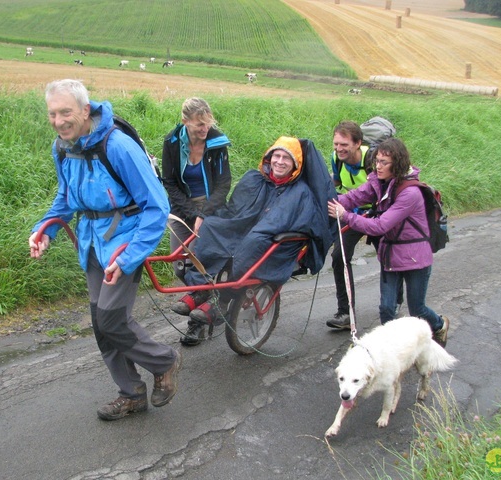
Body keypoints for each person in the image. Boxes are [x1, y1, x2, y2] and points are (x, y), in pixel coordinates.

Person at [28, 79, 182, 421]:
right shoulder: (63, 147)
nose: (58, 120)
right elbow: (66, 198)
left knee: (111, 317)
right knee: (102, 323)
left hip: (125, 241)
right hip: (92, 243)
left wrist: (129, 256)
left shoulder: (119, 147)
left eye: (65, 112)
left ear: (85, 110)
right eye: (53, 114)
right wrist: (45, 230)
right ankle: (131, 393)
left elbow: (157, 207)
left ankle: (164, 361)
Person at [172, 136, 334, 345]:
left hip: (271, 241)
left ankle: (222, 301)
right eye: (276, 155)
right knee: (212, 226)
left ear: (296, 165)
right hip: (245, 229)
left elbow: (296, 223)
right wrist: (211, 216)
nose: (280, 161)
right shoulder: (254, 179)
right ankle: (199, 291)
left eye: (287, 158)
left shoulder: (300, 192)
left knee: (253, 241)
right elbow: (234, 209)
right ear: (269, 157)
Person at [327, 137, 450, 347]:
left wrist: (345, 216)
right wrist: (327, 201)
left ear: (398, 164)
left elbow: (380, 226)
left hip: (416, 258)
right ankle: (392, 350)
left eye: (384, 162)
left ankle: (439, 325)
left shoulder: (410, 193)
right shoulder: (379, 183)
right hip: (391, 255)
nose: (378, 166)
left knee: (417, 309)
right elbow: (354, 197)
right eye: (377, 161)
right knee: (386, 308)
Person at [326, 120, 402, 330]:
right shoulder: (336, 158)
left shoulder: (373, 159)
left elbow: (386, 189)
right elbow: (339, 184)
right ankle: (345, 313)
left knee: (388, 258)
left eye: (344, 145)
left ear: (358, 143)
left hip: (378, 214)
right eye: (336, 144)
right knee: (339, 257)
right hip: (352, 214)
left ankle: (395, 301)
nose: (339, 149)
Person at [162, 98, 232, 290]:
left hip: (210, 207)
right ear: (185, 121)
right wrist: (192, 214)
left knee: (197, 264)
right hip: (181, 207)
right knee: (179, 266)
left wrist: (203, 215)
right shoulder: (172, 142)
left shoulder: (217, 143)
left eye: (208, 123)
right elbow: (169, 182)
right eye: (200, 124)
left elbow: (224, 184)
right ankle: (205, 298)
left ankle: (207, 304)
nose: (205, 128)